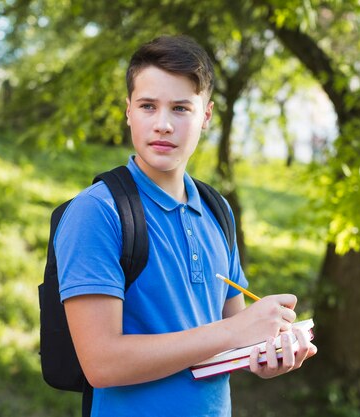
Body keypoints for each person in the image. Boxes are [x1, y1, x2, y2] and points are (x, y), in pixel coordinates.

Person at [55, 34, 317, 417]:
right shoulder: (97, 212)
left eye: (180, 108)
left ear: (206, 115)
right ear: (128, 111)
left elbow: (231, 340)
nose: (163, 124)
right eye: (148, 106)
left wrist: (268, 350)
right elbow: (102, 363)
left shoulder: (217, 210)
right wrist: (235, 331)